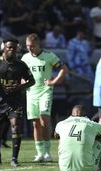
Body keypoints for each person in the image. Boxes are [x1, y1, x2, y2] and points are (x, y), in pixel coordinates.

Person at [0, 38, 35, 167]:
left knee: (16, 127)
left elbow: (32, 81)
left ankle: (14, 158)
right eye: (9, 47)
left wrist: (19, 87)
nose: (11, 50)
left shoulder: (21, 65)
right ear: (4, 48)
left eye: (14, 47)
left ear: (17, 49)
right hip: (0, 102)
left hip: (16, 102)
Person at [22, 33, 69, 162]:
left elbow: (64, 68)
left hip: (45, 91)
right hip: (31, 93)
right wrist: (22, 81)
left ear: (38, 45)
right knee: (35, 123)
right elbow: (22, 74)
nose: (29, 48)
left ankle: (48, 152)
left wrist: (54, 81)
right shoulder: (25, 58)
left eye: (31, 46)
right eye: (27, 46)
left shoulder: (49, 55)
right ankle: (40, 153)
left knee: (44, 118)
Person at [55, 105, 101, 171]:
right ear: (85, 114)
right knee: (100, 141)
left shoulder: (61, 124)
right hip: (88, 169)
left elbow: (56, 136)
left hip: (64, 170)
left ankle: (64, 162)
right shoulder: (92, 124)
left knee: (61, 140)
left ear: (72, 114)